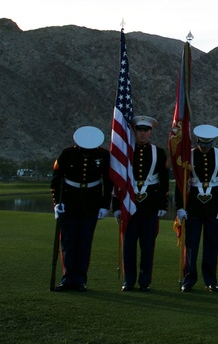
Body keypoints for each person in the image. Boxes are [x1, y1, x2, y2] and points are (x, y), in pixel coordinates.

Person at [50, 126, 112, 292]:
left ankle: (80, 280)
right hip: (69, 203)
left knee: (84, 243)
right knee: (68, 243)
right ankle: (67, 279)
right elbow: (56, 181)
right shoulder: (67, 154)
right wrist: (57, 203)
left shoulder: (103, 155)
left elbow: (108, 182)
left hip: (91, 203)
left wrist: (105, 205)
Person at [114, 115, 169, 292]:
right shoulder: (125, 150)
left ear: (151, 133)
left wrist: (163, 205)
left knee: (147, 246)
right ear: (134, 131)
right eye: (139, 130)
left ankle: (145, 281)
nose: (143, 134)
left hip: (150, 205)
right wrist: (116, 206)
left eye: (146, 130)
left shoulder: (158, 152)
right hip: (129, 204)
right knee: (129, 246)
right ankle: (128, 281)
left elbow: (164, 182)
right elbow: (117, 179)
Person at [175, 124, 218, 292]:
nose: (205, 148)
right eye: (202, 144)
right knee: (191, 244)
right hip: (193, 205)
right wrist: (179, 207)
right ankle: (189, 279)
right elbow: (180, 182)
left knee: (212, 244)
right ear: (197, 141)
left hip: (214, 205)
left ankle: (210, 280)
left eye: (208, 144)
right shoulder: (189, 155)